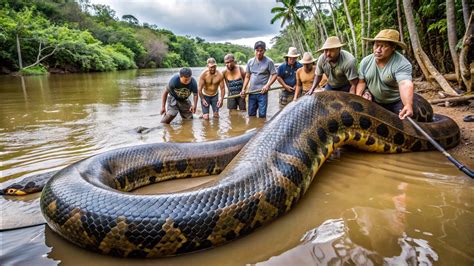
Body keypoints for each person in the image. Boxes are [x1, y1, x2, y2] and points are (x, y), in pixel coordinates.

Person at [356, 29, 416, 120]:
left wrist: (408, 104)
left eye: (384, 46)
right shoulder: (365, 62)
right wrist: (359, 97)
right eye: (376, 45)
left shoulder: (402, 63)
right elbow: (361, 82)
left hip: (396, 102)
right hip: (375, 100)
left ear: (393, 48)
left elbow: (405, 83)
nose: (378, 50)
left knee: (405, 122)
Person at [241, 41, 277, 118]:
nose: (259, 53)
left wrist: (267, 85)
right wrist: (243, 89)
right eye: (257, 50)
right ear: (254, 50)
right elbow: (247, 76)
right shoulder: (250, 62)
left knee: (262, 115)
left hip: (262, 93)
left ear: (264, 51)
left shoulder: (269, 62)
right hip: (251, 92)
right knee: (251, 114)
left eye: (261, 50)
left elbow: (274, 75)